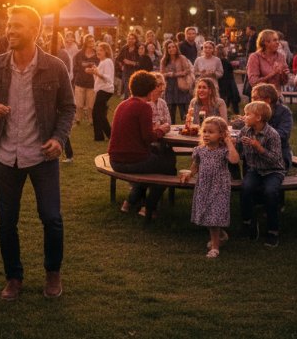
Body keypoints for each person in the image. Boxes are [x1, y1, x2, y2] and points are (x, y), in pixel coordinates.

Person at [0, 5, 75, 301]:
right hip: (7, 155)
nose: (10, 31)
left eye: (17, 26)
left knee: (51, 217)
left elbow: (69, 108)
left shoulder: (54, 66)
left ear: (35, 31)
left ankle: (53, 273)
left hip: (42, 156)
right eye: (9, 25)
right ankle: (13, 277)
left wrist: (59, 138)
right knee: (6, 221)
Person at [108, 71, 173, 218]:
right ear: (149, 89)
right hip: (132, 161)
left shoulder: (122, 104)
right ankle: (149, 206)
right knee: (169, 168)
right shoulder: (144, 107)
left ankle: (131, 201)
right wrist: (162, 130)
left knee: (157, 158)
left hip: (115, 160)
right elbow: (148, 137)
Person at [180, 116, 240, 258]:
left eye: (211, 132)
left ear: (221, 134)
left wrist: (229, 143)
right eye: (205, 131)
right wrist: (189, 174)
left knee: (214, 215)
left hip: (219, 186)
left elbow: (234, 160)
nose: (206, 134)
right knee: (206, 213)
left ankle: (215, 247)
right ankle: (221, 235)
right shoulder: (200, 150)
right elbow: (195, 167)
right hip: (204, 185)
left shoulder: (224, 150)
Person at [238, 100, 285, 247]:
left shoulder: (272, 134)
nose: (244, 117)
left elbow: (275, 158)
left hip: (273, 171)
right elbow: (239, 150)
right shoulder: (245, 130)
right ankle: (249, 223)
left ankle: (273, 231)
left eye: (247, 114)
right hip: (255, 170)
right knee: (245, 188)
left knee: (270, 192)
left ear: (258, 118)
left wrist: (259, 148)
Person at [251, 83, 294, 168]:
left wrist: (259, 135)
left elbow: (282, 135)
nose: (252, 101)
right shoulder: (252, 111)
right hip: (256, 155)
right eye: (252, 98)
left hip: (278, 155)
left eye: (255, 98)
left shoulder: (284, 112)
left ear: (267, 100)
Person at [161, 41, 195, 124]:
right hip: (169, 87)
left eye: (173, 47)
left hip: (181, 86)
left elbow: (187, 71)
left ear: (176, 48)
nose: (171, 49)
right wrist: (166, 75)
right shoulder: (164, 60)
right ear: (166, 49)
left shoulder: (181, 58)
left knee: (184, 113)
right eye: (169, 47)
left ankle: (187, 129)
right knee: (170, 112)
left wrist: (173, 74)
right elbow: (162, 74)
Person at [89, 42, 116, 142]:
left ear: (106, 51)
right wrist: (94, 72)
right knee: (97, 113)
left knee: (98, 113)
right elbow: (98, 78)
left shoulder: (107, 61)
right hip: (101, 89)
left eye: (100, 50)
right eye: (97, 50)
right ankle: (98, 137)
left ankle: (110, 135)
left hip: (105, 90)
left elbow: (108, 78)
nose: (98, 52)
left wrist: (97, 72)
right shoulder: (102, 62)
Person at [71, 35, 99, 126]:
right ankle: (78, 119)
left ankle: (91, 120)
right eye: (90, 41)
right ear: (86, 43)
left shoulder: (97, 55)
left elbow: (100, 67)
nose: (92, 43)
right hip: (80, 81)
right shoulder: (80, 54)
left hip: (92, 83)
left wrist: (93, 71)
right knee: (79, 104)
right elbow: (75, 67)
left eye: (93, 41)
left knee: (91, 105)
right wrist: (80, 73)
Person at [217, 44, 241, 114]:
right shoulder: (226, 61)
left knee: (224, 101)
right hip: (229, 83)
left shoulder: (218, 61)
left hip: (222, 83)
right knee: (231, 101)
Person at [116, 33, 141, 98]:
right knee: (127, 88)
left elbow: (141, 62)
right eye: (129, 38)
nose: (131, 40)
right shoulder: (124, 48)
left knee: (134, 88)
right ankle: (127, 101)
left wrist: (131, 62)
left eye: (132, 39)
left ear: (136, 40)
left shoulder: (138, 48)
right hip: (126, 71)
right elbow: (118, 58)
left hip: (135, 71)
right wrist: (121, 65)